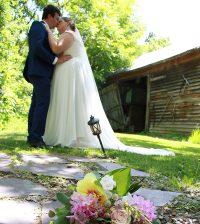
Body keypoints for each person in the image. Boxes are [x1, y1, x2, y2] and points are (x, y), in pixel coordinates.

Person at [43, 17, 174, 156]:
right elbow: (59, 52)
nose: (57, 25)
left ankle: (69, 135)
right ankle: (65, 132)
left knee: (73, 104)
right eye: (56, 24)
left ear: (68, 23)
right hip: (67, 76)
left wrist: (48, 31)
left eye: (60, 22)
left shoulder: (69, 34)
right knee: (67, 104)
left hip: (72, 76)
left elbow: (56, 48)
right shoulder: (66, 35)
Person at [23, 5, 71, 148]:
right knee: (42, 104)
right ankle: (36, 138)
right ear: (49, 16)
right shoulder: (38, 25)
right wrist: (55, 60)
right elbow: (37, 47)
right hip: (39, 71)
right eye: (56, 18)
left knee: (37, 104)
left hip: (39, 72)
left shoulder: (47, 31)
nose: (57, 22)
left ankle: (32, 136)